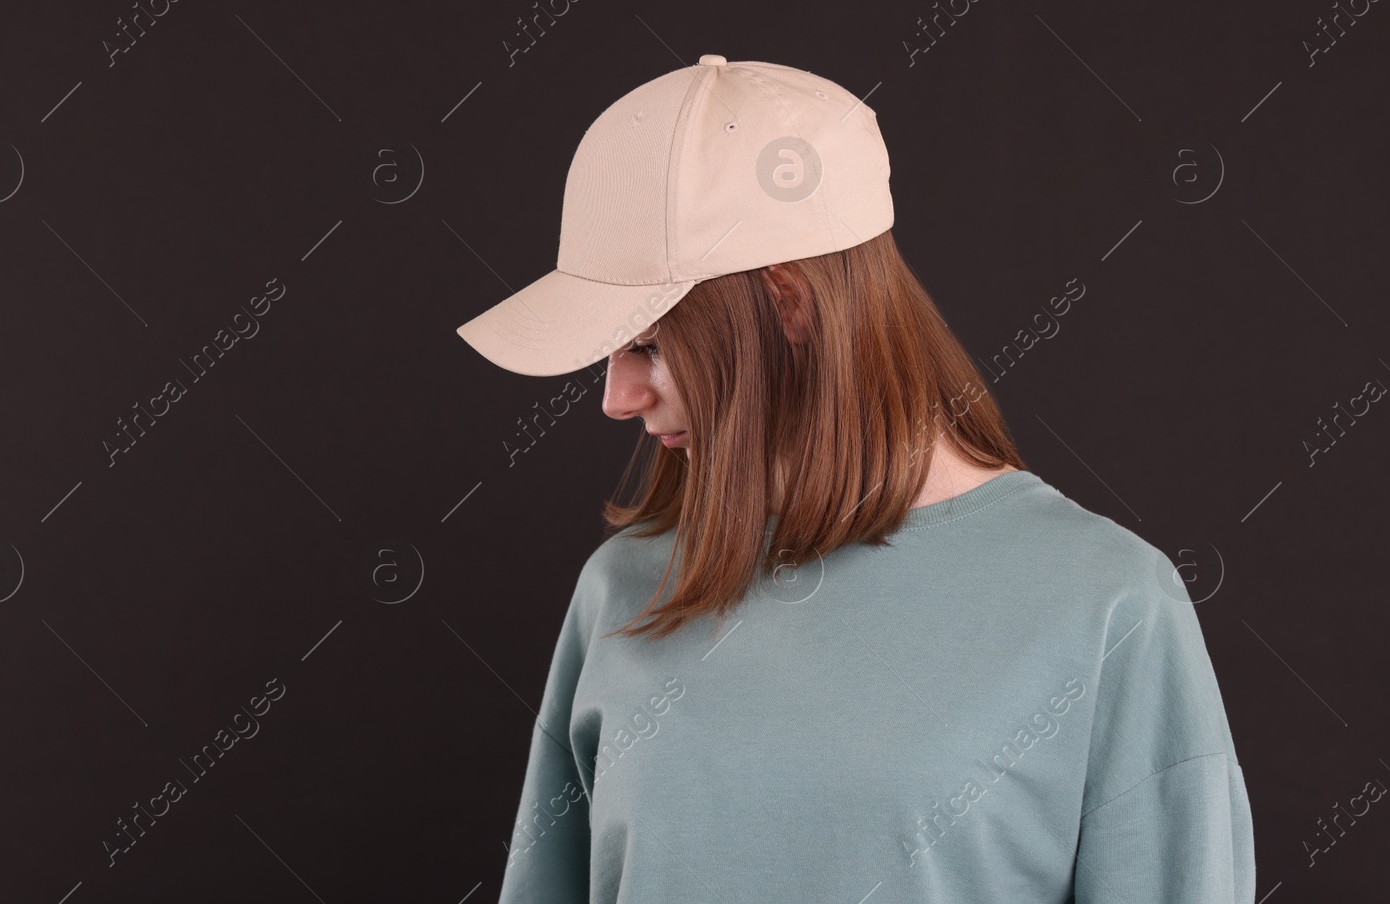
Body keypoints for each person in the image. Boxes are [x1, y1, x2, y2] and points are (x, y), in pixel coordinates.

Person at [456, 55, 1255, 903]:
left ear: (789, 302)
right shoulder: (624, 589)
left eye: (649, 342)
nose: (616, 396)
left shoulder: (1109, 604)